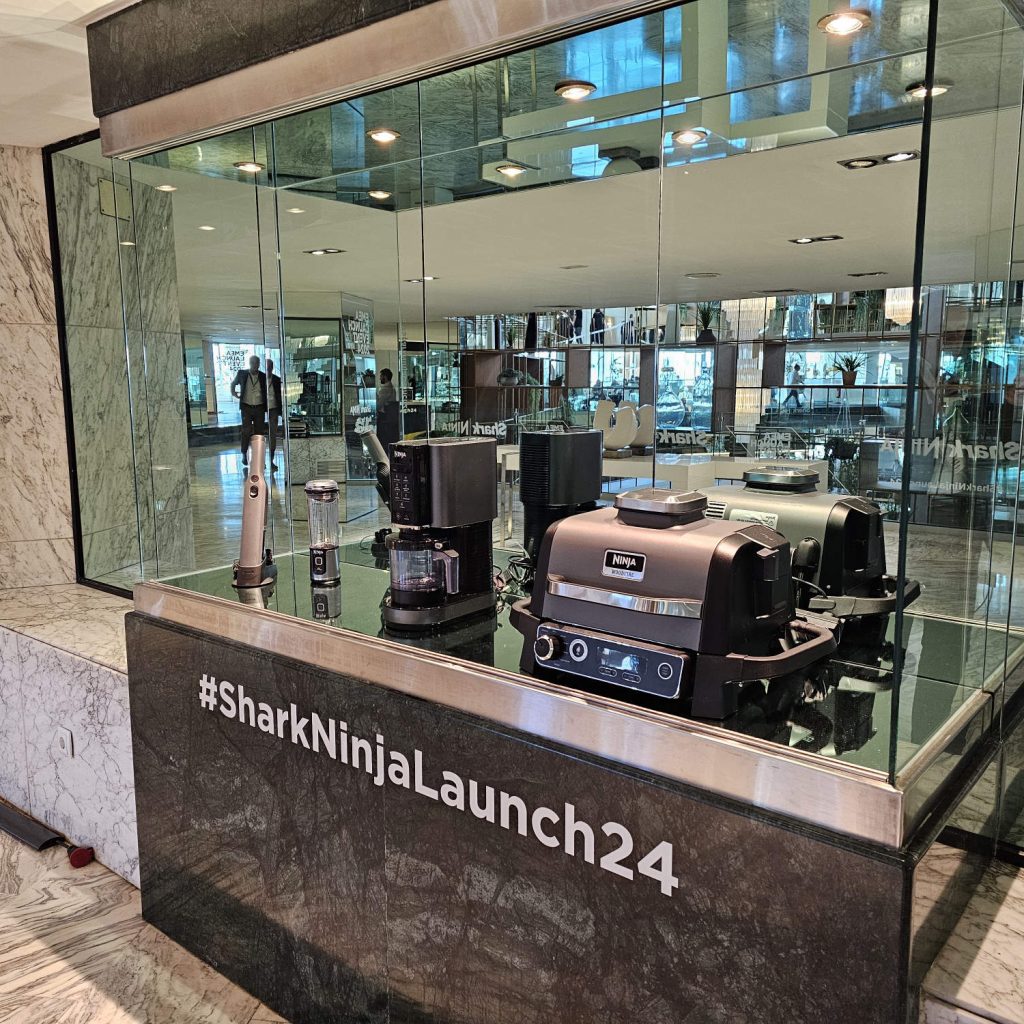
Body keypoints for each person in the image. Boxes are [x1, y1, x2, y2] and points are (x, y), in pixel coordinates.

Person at [231, 354, 267, 466]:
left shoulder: (263, 376)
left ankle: (259, 458)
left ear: (259, 364)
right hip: (246, 407)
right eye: (253, 363)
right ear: (250, 363)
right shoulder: (242, 373)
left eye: (257, 363)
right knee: (246, 431)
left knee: (259, 433)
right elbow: (233, 384)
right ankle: (244, 453)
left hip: (259, 407)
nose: (255, 365)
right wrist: (234, 393)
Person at [264, 358, 284, 471]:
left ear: (272, 368)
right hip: (261, 408)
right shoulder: (261, 379)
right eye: (266, 367)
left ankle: (271, 460)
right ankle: (261, 461)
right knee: (259, 436)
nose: (268, 369)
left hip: (274, 409)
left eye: (269, 367)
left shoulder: (277, 380)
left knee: (273, 435)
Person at [376, 368, 400, 451]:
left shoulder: (385, 389)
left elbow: (379, 405)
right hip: (391, 418)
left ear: (385, 377)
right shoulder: (391, 387)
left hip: (385, 418)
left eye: (381, 376)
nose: (380, 378)